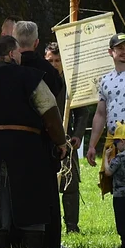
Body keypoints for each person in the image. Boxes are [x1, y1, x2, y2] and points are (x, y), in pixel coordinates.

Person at [0, 35, 67, 248]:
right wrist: (60, 141)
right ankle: (32, 246)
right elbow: (49, 110)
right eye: (18, 52)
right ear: (11, 54)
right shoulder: (30, 77)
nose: (20, 56)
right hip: (27, 146)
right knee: (29, 191)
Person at [14, 21, 66, 248]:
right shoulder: (49, 72)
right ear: (36, 43)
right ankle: (50, 240)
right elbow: (51, 103)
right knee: (46, 192)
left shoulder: (8, 68)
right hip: (41, 138)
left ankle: (16, 240)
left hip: (14, 140)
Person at [45, 41, 89, 234]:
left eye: (57, 60)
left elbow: (82, 112)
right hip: (44, 138)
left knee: (70, 182)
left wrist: (78, 135)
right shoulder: (40, 81)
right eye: (50, 60)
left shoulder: (71, 83)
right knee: (46, 182)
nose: (54, 64)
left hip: (67, 137)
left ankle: (72, 225)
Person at [86, 33, 125, 166]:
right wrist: (92, 145)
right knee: (114, 184)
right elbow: (100, 114)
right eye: (120, 48)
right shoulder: (105, 80)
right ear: (110, 52)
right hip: (113, 140)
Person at [106, 123, 125, 248]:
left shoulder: (120, 157)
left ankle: (124, 244)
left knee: (122, 221)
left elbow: (108, 172)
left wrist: (106, 158)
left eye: (116, 142)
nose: (115, 145)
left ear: (122, 141)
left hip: (120, 194)